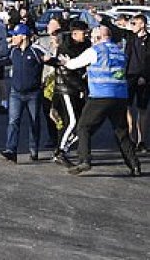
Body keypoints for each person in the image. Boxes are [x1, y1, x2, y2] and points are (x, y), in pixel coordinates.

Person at [59, 26, 141, 176]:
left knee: (83, 127)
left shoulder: (95, 50)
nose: (90, 39)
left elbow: (73, 64)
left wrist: (65, 61)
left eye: (92, 37)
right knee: (121, 132)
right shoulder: (119, 51)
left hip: (100, 96)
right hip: (120, 96)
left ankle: (84, 160)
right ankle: (134, 166)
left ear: (98, 38)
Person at [0, 24, 47, 163]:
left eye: (15, 35)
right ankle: (11, 150)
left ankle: (33, 149)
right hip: (16, 93)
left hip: (33, 93)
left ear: (23, 37)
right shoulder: (14, 51)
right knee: (13, 121)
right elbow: (5, 62)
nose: (12, 38)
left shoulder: (35, 51)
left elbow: (48, 59)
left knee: (34, 122)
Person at [46, 20, 91, 167]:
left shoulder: (87, 45)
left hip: (79, 90)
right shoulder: (65, 47)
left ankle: (61, 149)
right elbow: (66, 72)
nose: (86, 35)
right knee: (72, 121)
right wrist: (82, 88)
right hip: (65, 89)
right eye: (84, 33)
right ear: (75, 33)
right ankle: (60, 152)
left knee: (80, 125)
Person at [35, 17, 63, 154]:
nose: (53, 34)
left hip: (61, 83)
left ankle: (62, 138)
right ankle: (53, 138)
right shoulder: (42, 42)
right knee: (47, 112)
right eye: (50, 30)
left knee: (60, 112)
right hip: (45, 83)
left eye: (56, 31)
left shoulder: (64, 44)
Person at [124, 14, 150, 153]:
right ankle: (131, 136)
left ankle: (142, 140)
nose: (132, 25)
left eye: (135, 23)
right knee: (127, 106)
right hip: (129, 76)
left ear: (142, 25)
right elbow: (114, 29)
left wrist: (145, 76)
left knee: (142, 108)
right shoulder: (130, 38)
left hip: (144, 78)